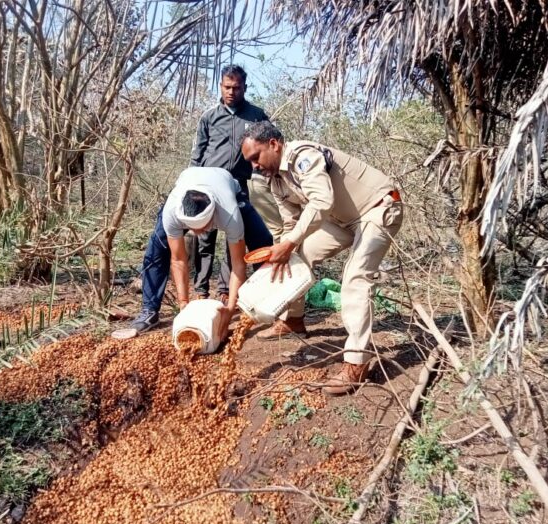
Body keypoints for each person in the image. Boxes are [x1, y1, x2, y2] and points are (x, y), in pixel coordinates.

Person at [240, 121, 404, 394]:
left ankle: (357, 362)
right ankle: (294, 320)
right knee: (296, 257)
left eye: (255, 157)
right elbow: (290, 224)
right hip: (342, 222)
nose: (254, 166)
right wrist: (281, 251)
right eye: (249, 162)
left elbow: (321, 202)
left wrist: (289, 242)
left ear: (273, 144)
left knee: (355, 278)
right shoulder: (276, 181)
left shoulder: (303, 157)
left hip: (378, 208)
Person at [130, 167, 272, 334]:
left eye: (203, 227)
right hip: (187, 183)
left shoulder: (230, 214)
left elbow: (238, 265)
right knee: (156, 250)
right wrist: (183, 303)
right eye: (192, 228)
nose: (198, 233)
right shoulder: (172, 212)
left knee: (262, 242)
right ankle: (149, 310)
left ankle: (263, 303)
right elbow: (178, 260)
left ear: (212, 216)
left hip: (228, 188)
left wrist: (230, 309)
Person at [189, 64, 274, 304]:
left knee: (234, 238)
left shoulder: (256, 115)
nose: (231, 92)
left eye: (237, 88)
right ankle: (201, 288)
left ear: (245, 88)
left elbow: (269, 144)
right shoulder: (209, 116)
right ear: (220, 86)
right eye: (227, 87)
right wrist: (192, 182)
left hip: (237, 186)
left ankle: (226, 290)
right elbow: (198, 152)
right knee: (204, 237)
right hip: (206, 186)